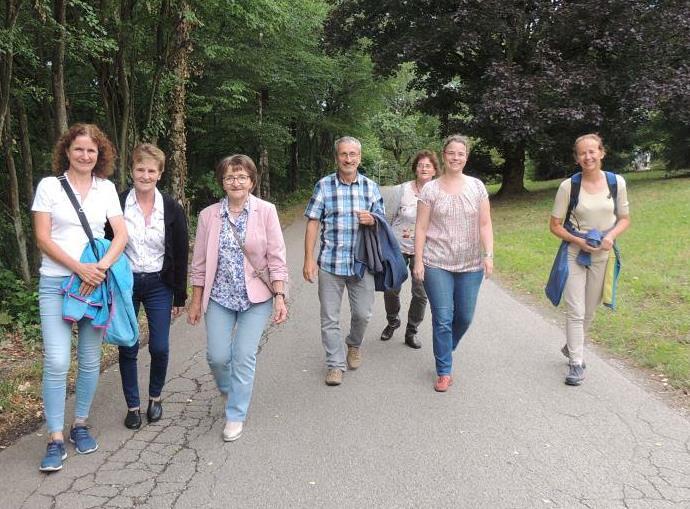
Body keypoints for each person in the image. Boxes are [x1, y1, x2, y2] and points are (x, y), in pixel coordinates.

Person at [32, 124, 128, 472]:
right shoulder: (49, 186)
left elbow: (121, 235)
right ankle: (55, 438)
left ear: (99, 154)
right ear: (67, 151)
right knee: (57, 361)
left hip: (94, 285)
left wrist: (99, 269)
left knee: (89, 359)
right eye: (79, 149)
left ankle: (80, 425)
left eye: (91, 150)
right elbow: (43, 238)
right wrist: (79, 268)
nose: (85, 155)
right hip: (57, 283)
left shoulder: (106, 189)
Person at [187, 154, 288, 442]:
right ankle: (230, 389)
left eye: (242, 177)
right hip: (219, 296)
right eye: (230, 177)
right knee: (217, 357)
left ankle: (235, 414)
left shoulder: (266, 211)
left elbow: (277, 257)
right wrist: (196, 301)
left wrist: (280, 296)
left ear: (252, 182)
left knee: (243, 355)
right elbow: (199, 263)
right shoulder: (208, 216)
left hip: (256, 298)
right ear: (222, 182)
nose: (236, 182)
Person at [107, 144, 189, 430]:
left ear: (160, 173)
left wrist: (180, 295)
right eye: (140, 169)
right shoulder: (117, 204)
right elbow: (106, 243)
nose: (145, 175)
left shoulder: (171, 208)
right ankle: (133, 406)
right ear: (132, 171)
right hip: (125, 284)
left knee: (160, 346)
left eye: (151, 170)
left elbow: (180, 253)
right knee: (128, 345)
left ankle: (155, 397)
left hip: (159, 284)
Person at [413, 134, 493, 392]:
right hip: (436, 262)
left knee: (465, 317)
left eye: (460, 153)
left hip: (470, 265)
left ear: (466, 157)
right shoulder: (430, 189)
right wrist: (418, 261)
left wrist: (489, 254)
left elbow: (485, 224)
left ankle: (445, 348)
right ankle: (444, 370)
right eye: (451, 153)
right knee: (443, 318)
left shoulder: (477, 187)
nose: (455, 157)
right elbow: (421, 227)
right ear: (444, 155)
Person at [549, 133, 630, 386]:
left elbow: (624, 219)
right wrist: (578, 240)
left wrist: (611, 236)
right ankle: (576, 362)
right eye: (582, 153)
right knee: (576, 309)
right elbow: (554, 225)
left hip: (602, 253)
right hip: (575, 252)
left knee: (589, 310)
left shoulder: (616, 183)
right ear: (577, 158)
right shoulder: (568, 187)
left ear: (602, 152)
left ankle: (572, 345)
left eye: (592, 151)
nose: (588, 157)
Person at [303, 136, 384, 386]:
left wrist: (373, 219)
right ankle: (335, 364)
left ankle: (354, 344)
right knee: (329, 318)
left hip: (362, 264)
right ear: (336, 157)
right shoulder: (324, 186)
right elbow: (313, 221)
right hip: (330, 263)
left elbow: (382, 221)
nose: (348, 159)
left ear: (359, 157)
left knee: (363, 314)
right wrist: (308, 259)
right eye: (343, 154)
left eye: (353, 154)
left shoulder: (370, 187)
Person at [380, 150, 438, 349]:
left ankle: (411, 331)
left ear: (434, 170)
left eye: (428, 166)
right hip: (397, 248)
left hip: (424, 251)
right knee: (391, 288)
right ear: (415, 169)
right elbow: (387, 216)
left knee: (420, 294)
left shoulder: (439, 192)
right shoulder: (401, 190)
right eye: (420, 165)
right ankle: (392, 321)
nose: (424, 168)